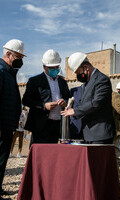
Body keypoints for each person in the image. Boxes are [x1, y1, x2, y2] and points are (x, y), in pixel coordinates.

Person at [61, 52, 115, 144]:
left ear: (86, 67)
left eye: (78, 73)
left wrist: (75, 111)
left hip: (99, 134)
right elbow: (83, 102)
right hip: (89, 134)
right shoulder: (87, 83)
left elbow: (96, 103)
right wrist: (70, 108)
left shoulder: (102, 80)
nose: (78, 76)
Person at [22, 49, 71, 145]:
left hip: (58, 125)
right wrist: (43, 105)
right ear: (44, 67)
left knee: (54, 155)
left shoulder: (63, 82)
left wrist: (65, 103)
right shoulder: (35, 81)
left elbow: (68, 98)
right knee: (39, 155)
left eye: (56, 67)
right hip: (41, 125)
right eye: (51, 68)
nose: (55, 69)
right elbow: (26, 100)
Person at [0, 39, 25, 197]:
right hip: (2, 125)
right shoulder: (1, 72)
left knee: (2, 160)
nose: (21, 61)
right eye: (18, 57)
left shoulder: (9, 73)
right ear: (8, 54)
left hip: (8, 124)